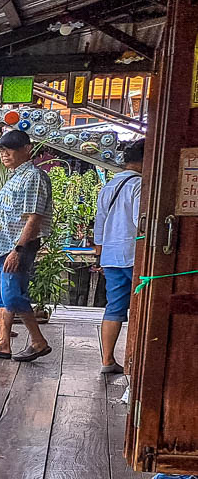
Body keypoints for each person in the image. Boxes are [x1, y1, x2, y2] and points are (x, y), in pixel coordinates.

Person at [0, 129, 53, 361]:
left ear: (26, 149)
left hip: (14, 248)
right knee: (1, 298)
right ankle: (2, 343)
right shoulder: (16, 176)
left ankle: (38, 342)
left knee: (13, 297)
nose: (5, 155)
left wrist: (18, 250)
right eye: (2, 150)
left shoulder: (33, 177)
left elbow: (33, 218)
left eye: (10, 150)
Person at [92, 138, 144, 375]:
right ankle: (134, 361)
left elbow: (99, 224)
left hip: (111, 256)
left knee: (114, 308)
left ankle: (107, 360)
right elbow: (139, 222)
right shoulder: (139, 185)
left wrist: (99, 253)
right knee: (142, 307)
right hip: (133, 255)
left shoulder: (109, 185)